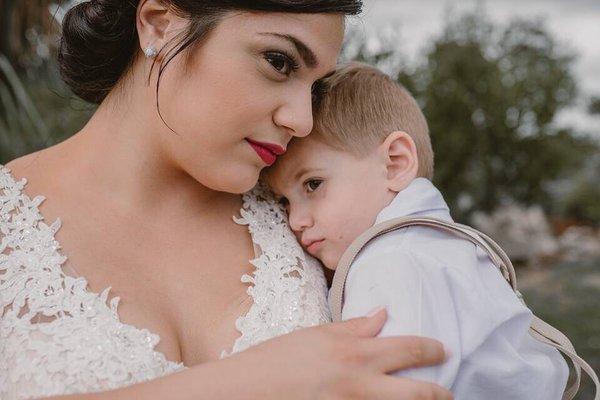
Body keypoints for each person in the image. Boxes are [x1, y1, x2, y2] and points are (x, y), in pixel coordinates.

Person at [0, 1, 453, 399]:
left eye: (314, 88)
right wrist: (246, 385)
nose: (301, 120)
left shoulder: (308, 212)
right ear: (158, 25)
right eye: (279, 61)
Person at [265, 62, 570, 399]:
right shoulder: (441, 244)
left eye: (312, 184)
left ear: (395, 163)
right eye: (284, 203)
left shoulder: (392, 261)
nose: (296, 220)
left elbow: (388, 391)